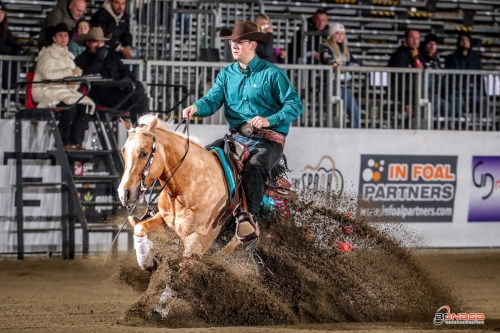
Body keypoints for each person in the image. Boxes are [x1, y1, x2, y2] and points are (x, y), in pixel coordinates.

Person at [182, 20, 302, 242]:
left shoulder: (272, 74)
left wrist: (269, 120)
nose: (234, 46)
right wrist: (196, 107)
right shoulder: (226, 75)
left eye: (240, 42)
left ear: (253, 45)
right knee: (207, 156)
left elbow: (295, 105)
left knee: (255, 168)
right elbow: (212, 100)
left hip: (269, 139)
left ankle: (249, 219)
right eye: (232, 42)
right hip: (237, 137)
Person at [32, 23, 95, 150]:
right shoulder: (47, 54)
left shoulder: (68, 56)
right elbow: (48, 75)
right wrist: (70, 72)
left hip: (62, 90)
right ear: (54, 38)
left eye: (65, 35)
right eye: (60, 35)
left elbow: (71, 81)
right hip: (46, 89)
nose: (63, 38)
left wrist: (74, 82)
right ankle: (62, 142)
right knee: (70, 104)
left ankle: (76, 142)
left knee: (84, 104)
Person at [74, 27, 149, 124]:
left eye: (101, 42)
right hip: (101, 93)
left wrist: (126, 79)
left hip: (119, 88)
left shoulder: (110, 54)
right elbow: (87, 76)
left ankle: (143, 130)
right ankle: (144, 131)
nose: (99, 45)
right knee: (138, 100)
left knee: (138, 89)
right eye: (95, 42)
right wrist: (99, 59)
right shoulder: (82, 59)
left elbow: (124, 69)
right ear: (88, 43)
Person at [320, 23, 359, 128]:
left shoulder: (345, 50)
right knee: (333, 115)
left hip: (345, 85)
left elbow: (356, 64)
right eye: (337, 33)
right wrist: (342, 65)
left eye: (342, 33)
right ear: (332, 35)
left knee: (355, 112)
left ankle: (354, 135)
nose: (340, 36)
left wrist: (343, 64)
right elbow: (331, 63)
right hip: (331, 85)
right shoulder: (326, 48)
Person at [444, 32, 483, 118]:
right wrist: (464, 94)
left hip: (473, 92)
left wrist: (472, 92)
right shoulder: (450, 58)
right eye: (462, 40)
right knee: (457, 100)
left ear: (470, 43)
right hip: (456, 92)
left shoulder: (476, 60)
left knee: (483, 101)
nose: (465, 42)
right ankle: (461, 126)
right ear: (458, 42)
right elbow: (451, 79)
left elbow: (480, 80)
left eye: (467, 40)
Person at [388, 29, 424, 117]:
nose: (415, 41)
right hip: (404, 94)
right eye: (412, 38)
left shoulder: (419, 55)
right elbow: (399, 82)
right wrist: (406, 103)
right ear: (406, 39)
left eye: (417, 38)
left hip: (415, 93)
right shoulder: (399, 56)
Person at [0, 1, 25, 89]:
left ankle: (13, 83)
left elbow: (13, 43)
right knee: (7, 55)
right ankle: (7, 83)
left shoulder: (4, 30)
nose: (0, 15)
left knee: (15, 54)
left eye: (2, 12)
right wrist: (10, 49)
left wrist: (19, 49)